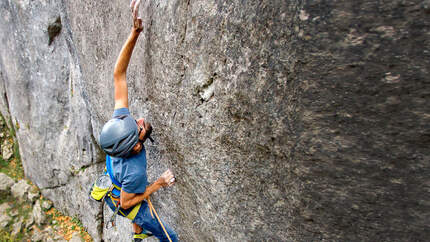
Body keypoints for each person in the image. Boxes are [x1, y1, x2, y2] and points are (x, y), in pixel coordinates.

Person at [98, 4, 178, 242]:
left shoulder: (119, 129)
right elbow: (127, 200)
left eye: (135, 121)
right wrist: (159, 184)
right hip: (122, 200)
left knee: (130, 189)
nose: (140, 120)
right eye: (139, 128)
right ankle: (140, 230)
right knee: (170, 237)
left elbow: (118, 74)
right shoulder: (133, 170)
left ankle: (137, 231)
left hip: (116, 181)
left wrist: (135, 32)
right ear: (135, 147)